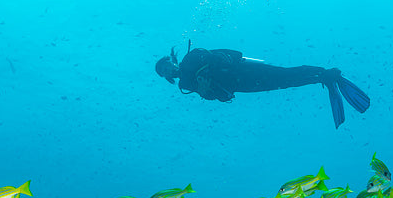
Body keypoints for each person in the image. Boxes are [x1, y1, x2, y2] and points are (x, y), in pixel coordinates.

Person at [155, 43, 370, 128]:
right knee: (283, 84)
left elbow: (216, 56)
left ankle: (326, 73)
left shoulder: (191, 57)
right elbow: (218, 96)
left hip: (242, 71)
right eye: (164, 72)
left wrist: (209, 71)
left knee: (284, 74)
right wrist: (205, 91)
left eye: (166, 66)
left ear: (171, 60)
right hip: (242, 86)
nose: (168, 70)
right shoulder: (186, 84)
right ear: (167, 78)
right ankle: (323, 78)